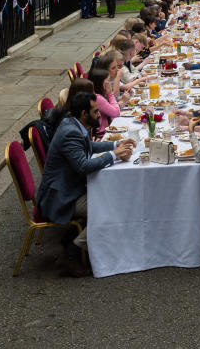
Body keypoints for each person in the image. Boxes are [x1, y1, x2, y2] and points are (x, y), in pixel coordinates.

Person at [36, 92, 134, 276]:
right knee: (111, 208)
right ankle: (70, 253)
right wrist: (114, 155)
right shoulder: (70, 132)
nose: (99, 115)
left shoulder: (73, 124)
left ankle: (74, 238)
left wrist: (115, 146)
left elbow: (89, 146)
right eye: (95, 112)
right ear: (83, 113)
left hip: (69, 188)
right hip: (60, 196)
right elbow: (83, 166)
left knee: (113, 199)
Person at [86, 68, 119, 138]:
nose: (109, 84)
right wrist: (110, 94)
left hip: (105, 131)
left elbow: (110, 112)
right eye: (107, 81)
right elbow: (116, 113)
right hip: (102, 135)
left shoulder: (98, 95)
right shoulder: (97, 98)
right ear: (100, 83)